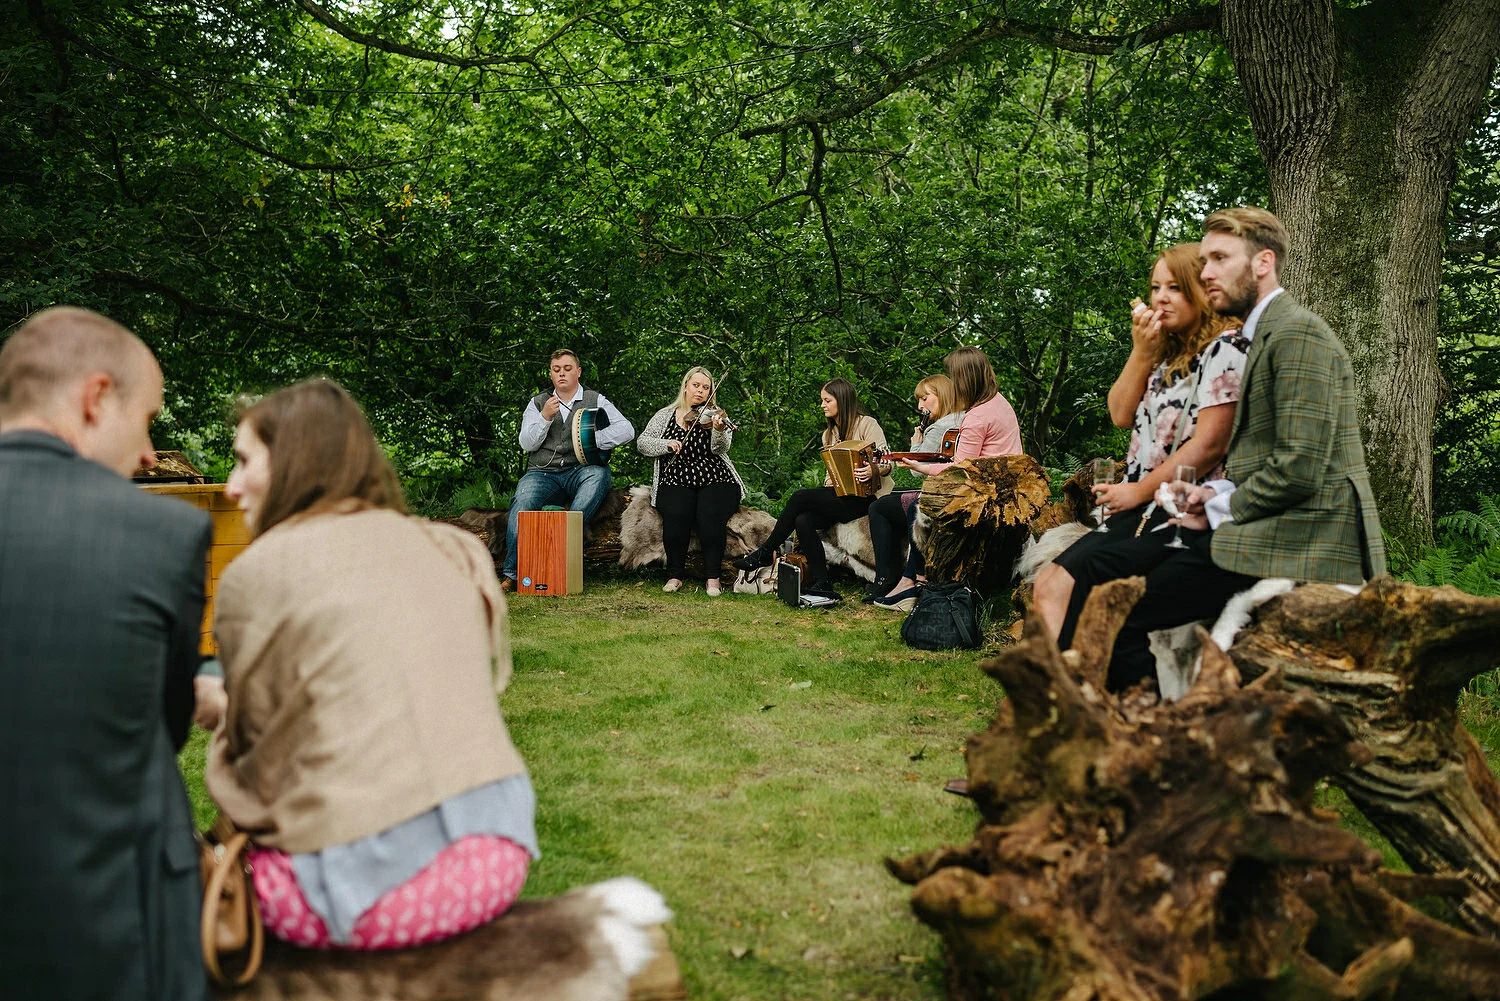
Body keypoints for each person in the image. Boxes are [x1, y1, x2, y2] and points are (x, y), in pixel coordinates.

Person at [204, 379, 539, 951]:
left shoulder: (257, 574)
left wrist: (217, 711)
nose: (231, 486)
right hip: (497, 855)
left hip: (365, 894)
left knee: (198, 870)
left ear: (292, 462)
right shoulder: (444, 546)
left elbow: (258, 760)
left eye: (242, 461)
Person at [0, 307, 212, 1001]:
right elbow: (164, 719)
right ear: (94, 398)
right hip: (114, 922)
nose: (151, 450)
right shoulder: (162, 532)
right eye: (147, 416)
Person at [1105, 206, 1385, 691]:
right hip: (1274, 523)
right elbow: (1274, 458)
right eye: (1206, 259)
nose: (1206, 272)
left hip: (1306, 538)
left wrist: (1220, 504)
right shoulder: (1265, 334)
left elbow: (1300, 466)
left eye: (1219, 258)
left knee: (1127, 613)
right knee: (1126, 582)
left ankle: (1154, 740)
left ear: (1263, 263)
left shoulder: (1296, 334)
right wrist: (1205, 499)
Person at [1035, 243, 1250, 647]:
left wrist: (1137, 491)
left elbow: (1209, 446)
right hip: (1136, 504)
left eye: (1175, 287)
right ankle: (1059, 688)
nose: (1161, 297)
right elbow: (1119, 412)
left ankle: (1069, 691)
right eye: (1155, 287)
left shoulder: (1225, 349)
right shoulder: (1163, 354)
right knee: (1050, 583)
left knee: (1063, 587)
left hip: (1179, 509)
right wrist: (1140, 351)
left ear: (1202, 291)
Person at [872, 347, 1022, 611]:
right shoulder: (999, 402)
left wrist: (916, 463)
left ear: (966, 378)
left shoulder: (976, 417)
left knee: (918, 506)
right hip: (1005, 487)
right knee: (913, 501)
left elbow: (958, 469)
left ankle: (914, 581)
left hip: (984, 495)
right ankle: (910, 580)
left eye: (955, 376)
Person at [732, 378, 892, 599]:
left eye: (827, 400)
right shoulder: (829, 434)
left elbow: (887, 462)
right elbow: (832, 472)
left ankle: (765, 552)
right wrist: (830, 480)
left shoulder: (867, 424)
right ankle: (822, 583)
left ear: (842, 400)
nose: (822, 405)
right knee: (802, 520)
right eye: (822, 400)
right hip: (842, 496)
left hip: (868, 497)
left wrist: (872, 470)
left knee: (799, 497)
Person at [502, 348, 635, 591]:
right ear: (551, 375)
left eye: (567, 369)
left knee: (599, 475)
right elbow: (526, 444)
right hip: (542, 473)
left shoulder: (596, 399)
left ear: (578, 372)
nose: (562, 374)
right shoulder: (538, 403)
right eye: (556, 370)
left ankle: (562, 555)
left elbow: (627, 430)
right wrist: (544, 417)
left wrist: (592, 439)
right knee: (521, 502)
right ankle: (512, 574)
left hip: (580, 471)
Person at [636, 366, 747, 595]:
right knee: (677, 513)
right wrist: (666, 444)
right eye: (696, 385)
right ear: (685, 386)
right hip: (676, 478)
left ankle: (713, 577)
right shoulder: (665, 415)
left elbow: (721, 448)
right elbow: (643, 443)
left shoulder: (714, 416)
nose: (700, 391)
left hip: (715, 477)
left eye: (705, 388)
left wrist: (717, 430)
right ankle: (675, 575)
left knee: (709, 515)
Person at [863, 374, 965, 601]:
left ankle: (885, 579)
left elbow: (916, 469)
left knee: (879, 507)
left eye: (924, 398)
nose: (920, 406)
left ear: (942, 396)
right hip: (959, 491)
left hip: (942, 496)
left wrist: (915, 442)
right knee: (893, 496)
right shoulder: (963, 419)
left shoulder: (939, 428)